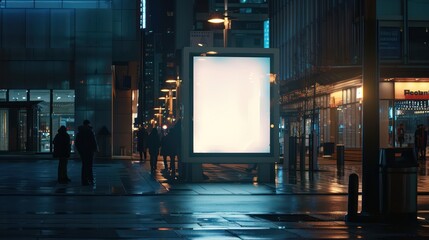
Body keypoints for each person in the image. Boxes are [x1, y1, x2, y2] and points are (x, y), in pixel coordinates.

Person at [75, 120, 99, 186]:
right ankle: (90, 179)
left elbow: (77, 143)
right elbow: (93, 141)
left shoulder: (80, 132)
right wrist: (95, 149)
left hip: (83, 152)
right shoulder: (90, 131)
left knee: (84, 166)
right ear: (88, 124)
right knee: (89, 166)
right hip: (89, 151)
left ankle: (84, 180)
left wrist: (80, 151)